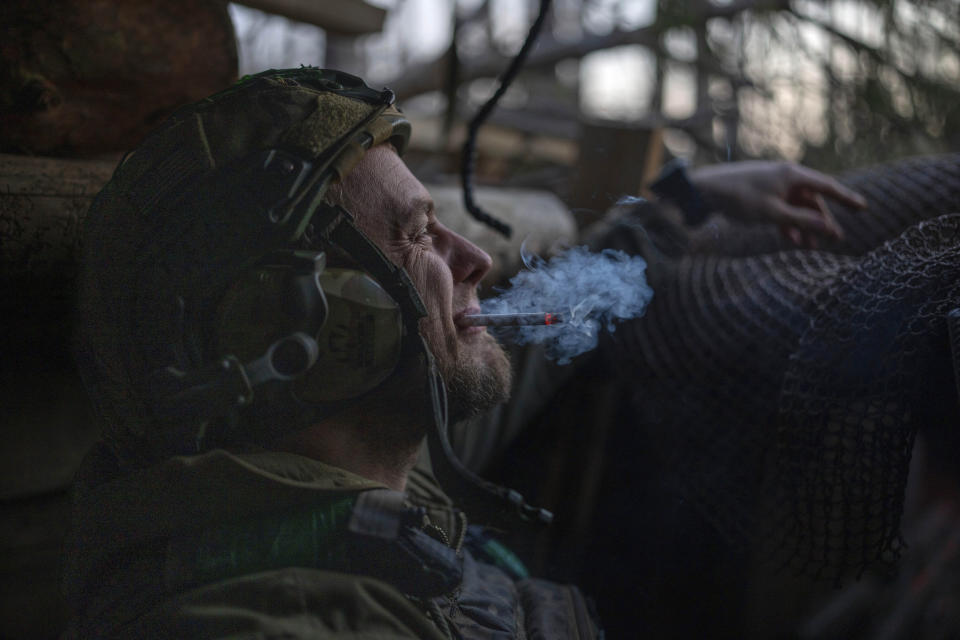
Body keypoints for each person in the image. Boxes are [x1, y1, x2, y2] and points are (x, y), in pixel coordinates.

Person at [63, 65, 877, 639]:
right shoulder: (267, 620)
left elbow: (529, 344)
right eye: (418, 232)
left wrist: (686, 202)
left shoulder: (353, 472)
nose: (477, 260)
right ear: (288, 324)